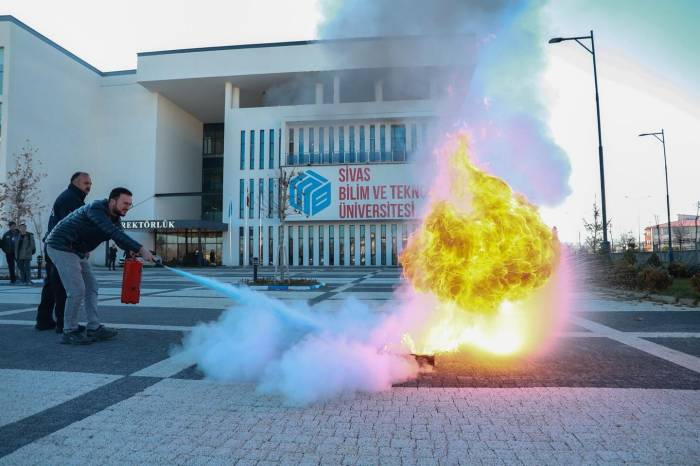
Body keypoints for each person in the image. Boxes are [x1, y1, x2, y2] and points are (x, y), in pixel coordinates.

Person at [46, 187, 154, 345]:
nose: (127, 207)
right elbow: (112, 232)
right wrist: (140, 248)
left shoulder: (115, 219)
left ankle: (94, 328)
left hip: (77, 250)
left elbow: (119, 237)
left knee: (92, 286)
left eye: (130, 204)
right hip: (60, 246)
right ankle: (69, 331)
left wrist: (130, 250)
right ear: (112, 201)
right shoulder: (96, 209)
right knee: (77, 290)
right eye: (125, 203)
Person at [35, 172, 92, 331]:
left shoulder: (70, 197)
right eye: (85, 183)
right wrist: (82, 247)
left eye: (90, 184)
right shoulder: (71, 200)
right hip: (61, 247)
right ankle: (62, 323)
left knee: (51, 284)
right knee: (61, 284)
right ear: (75, 182)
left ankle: (43, 320)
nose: (88, 186)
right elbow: (74, 227)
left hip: (53, 245)